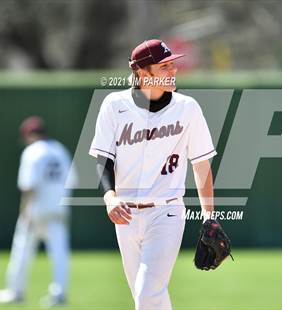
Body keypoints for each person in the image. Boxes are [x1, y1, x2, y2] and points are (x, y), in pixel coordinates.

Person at [89, 39, 220, 310]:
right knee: (149, 297)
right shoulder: (114, 105)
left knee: (147, 293)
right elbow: (104, 158)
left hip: (167, 212)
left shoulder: (188, 108)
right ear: (142, 73)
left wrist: (210, 217)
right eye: (164, 66)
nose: (173, 71)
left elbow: (201, 166)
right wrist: (109, 197)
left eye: (173, 65)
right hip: (125, 216)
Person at [0, 116, 77, 308]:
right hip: (58, 209)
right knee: (59, 254)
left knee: (21, 252)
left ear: (29, 134)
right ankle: (59, 294)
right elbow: (72, 181)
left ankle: (15, 291)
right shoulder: (60, 150)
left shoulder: (32, 152)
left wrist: (25, 213)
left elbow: (28, 186)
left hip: (36, 210)